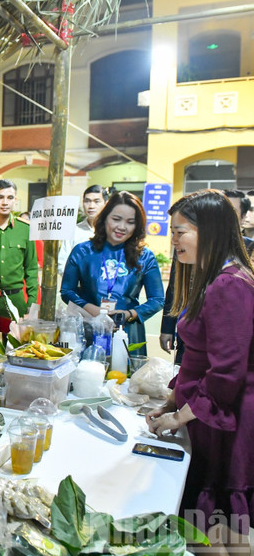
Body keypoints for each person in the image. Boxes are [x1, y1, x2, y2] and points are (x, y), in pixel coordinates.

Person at [147, 190, 254, 553]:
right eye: (172, 231)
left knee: (208, 530)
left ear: (208, 230)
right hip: (209, 414)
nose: (173, 240)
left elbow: (226, 371)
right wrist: (172, 400)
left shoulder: (229, 285)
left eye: (181, 232)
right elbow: (197, 357)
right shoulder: (211, 277)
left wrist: (180, 416)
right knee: (212, 529)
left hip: (227, 420)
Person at [61, 191, 164, 352]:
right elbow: (67, 291)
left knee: (125, 374)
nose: (122, 227)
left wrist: (128, 314)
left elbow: (157, 299)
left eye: (130, 222)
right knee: (87, 374)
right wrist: (91, 310)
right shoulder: (82, 251)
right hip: (89, 328)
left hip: (127, 332)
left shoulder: (145, 256)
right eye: (116, 219)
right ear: (105, 218)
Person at [0, 179, 38, 333]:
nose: (5, 202)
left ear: (15, 200)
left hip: (16, 302)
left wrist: (31, 306)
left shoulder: (26, 230)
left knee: (17, 350)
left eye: (10, 198)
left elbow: (32, 271)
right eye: (0, 197)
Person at [58, 185, 108, 274]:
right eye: (87, 201)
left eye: (97, 201)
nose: (91, 206)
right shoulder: (73, 231)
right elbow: (62, 263)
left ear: (106, 204)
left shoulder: (112, 231)